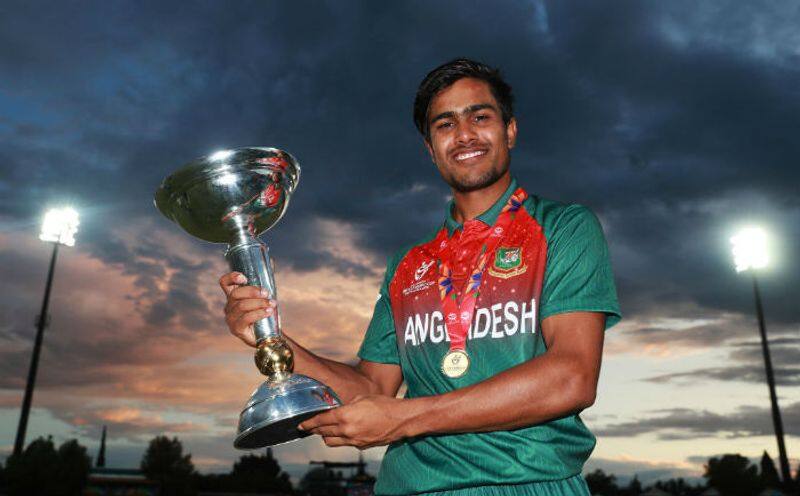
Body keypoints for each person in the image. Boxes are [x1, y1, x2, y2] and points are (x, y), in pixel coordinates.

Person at [219, 58, 621, 496]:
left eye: (480, 116)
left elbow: (572, 376)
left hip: (527, 482)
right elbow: (372, 388)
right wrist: (272, 338)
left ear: (510, 131)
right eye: (445, 124)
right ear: (430, 148)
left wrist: (406, 418)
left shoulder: (564, 228)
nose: (464, 134)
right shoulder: (409, 265)